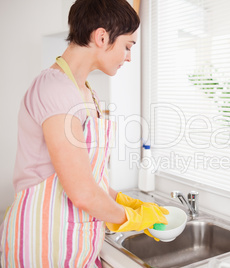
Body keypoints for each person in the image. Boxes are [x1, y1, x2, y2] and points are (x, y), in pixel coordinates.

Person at [0, 0, 168, 266]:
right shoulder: (54, 89)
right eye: (127, 46)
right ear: (102, 37)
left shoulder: (86, 91)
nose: (129, 57)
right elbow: (82, 193)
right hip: (43, 243)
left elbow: (91, 178)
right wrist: (132, 217)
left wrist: (124, 201)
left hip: (76, 242)